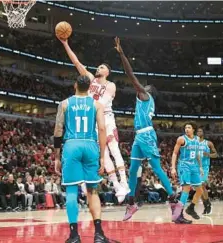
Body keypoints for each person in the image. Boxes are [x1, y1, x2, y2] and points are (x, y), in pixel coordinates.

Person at [113, 37, 183, 222]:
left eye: (145, 86)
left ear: (148, 91)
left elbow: (130, 74)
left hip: (146, 135)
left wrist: (121, 54)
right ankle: (131, 202)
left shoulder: (144, 96)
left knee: (156, 168)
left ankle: (174, 199)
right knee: (134, 168)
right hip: (139, 137)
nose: (141, 86)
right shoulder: (144, 100)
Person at [58, 37, 129, 203]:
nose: (99, 67)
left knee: (114, 150)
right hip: (95, 119)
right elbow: (76, 62)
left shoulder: (111, 85)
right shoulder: (89, 78)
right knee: (102, 154)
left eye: (102, 67)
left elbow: (102, 103)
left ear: (107, 72)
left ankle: (124, 183)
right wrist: (65, 44)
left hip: (106, 118)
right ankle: (117, 186)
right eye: (98, 66)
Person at [54, 75, 112, 243]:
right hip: (90, 145)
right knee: (92, 190)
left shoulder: (64, 104)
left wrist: (57, 156)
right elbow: (102, 129)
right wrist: (102, 156)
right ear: (89, 88)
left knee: (72, 190)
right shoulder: (96, 104)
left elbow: (58, 130)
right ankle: (99, 234)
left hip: (71, 145)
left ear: (75, 86)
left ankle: (74, 236)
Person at [171, 122, 204, 223]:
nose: (187, 129)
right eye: (185, 127)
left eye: (189, 127)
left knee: (200, 191)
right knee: (186, 189)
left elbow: (197, 154)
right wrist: (173, 167)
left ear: (193, 129)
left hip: (194, 166)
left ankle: (190, 208)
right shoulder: (181, 139)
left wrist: (201, 167)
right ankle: (178, 215)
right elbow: (175, 153)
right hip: (184, 165)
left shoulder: (197, 139)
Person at [197, 127, 217, 215]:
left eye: (200, 131)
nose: (199, 132)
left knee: (202, 185)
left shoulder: (208, 143)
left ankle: (208, 204)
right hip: (195, 167)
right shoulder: (193, 143)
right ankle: (206, 205)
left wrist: (208, 154)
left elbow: (216, 154)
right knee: (198, 188)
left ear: (203, 133)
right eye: (197, 131)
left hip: (204, 167)